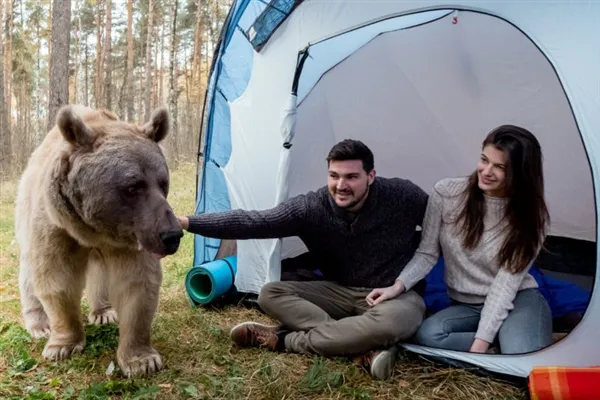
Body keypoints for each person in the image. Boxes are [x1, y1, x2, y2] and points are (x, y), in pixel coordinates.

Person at [177, 139, 429, 380]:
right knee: (269, 294)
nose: (341, 185)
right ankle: (358, 345)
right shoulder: (312, 208)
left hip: (394, 295)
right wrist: (188, 223)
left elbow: (443, 227)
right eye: (334, 176)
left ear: (370, 176)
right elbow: (254, 221)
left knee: (392, 323)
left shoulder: (403, 196)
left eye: (351, 177)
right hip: (339, 291)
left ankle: (284, 340)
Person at [366, 125, 554, 355]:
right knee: (429, 335)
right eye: (484, 160)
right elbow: (427, 253)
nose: (486, 171)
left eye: (500, 167)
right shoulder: (447, 193)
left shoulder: (533, 218)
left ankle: (511, 340)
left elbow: (505, 286)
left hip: (517, 300)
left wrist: (479, 346)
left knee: (520, 358)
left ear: (520, 173)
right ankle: (502, 348)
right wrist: (397, 286)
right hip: (467, 306)